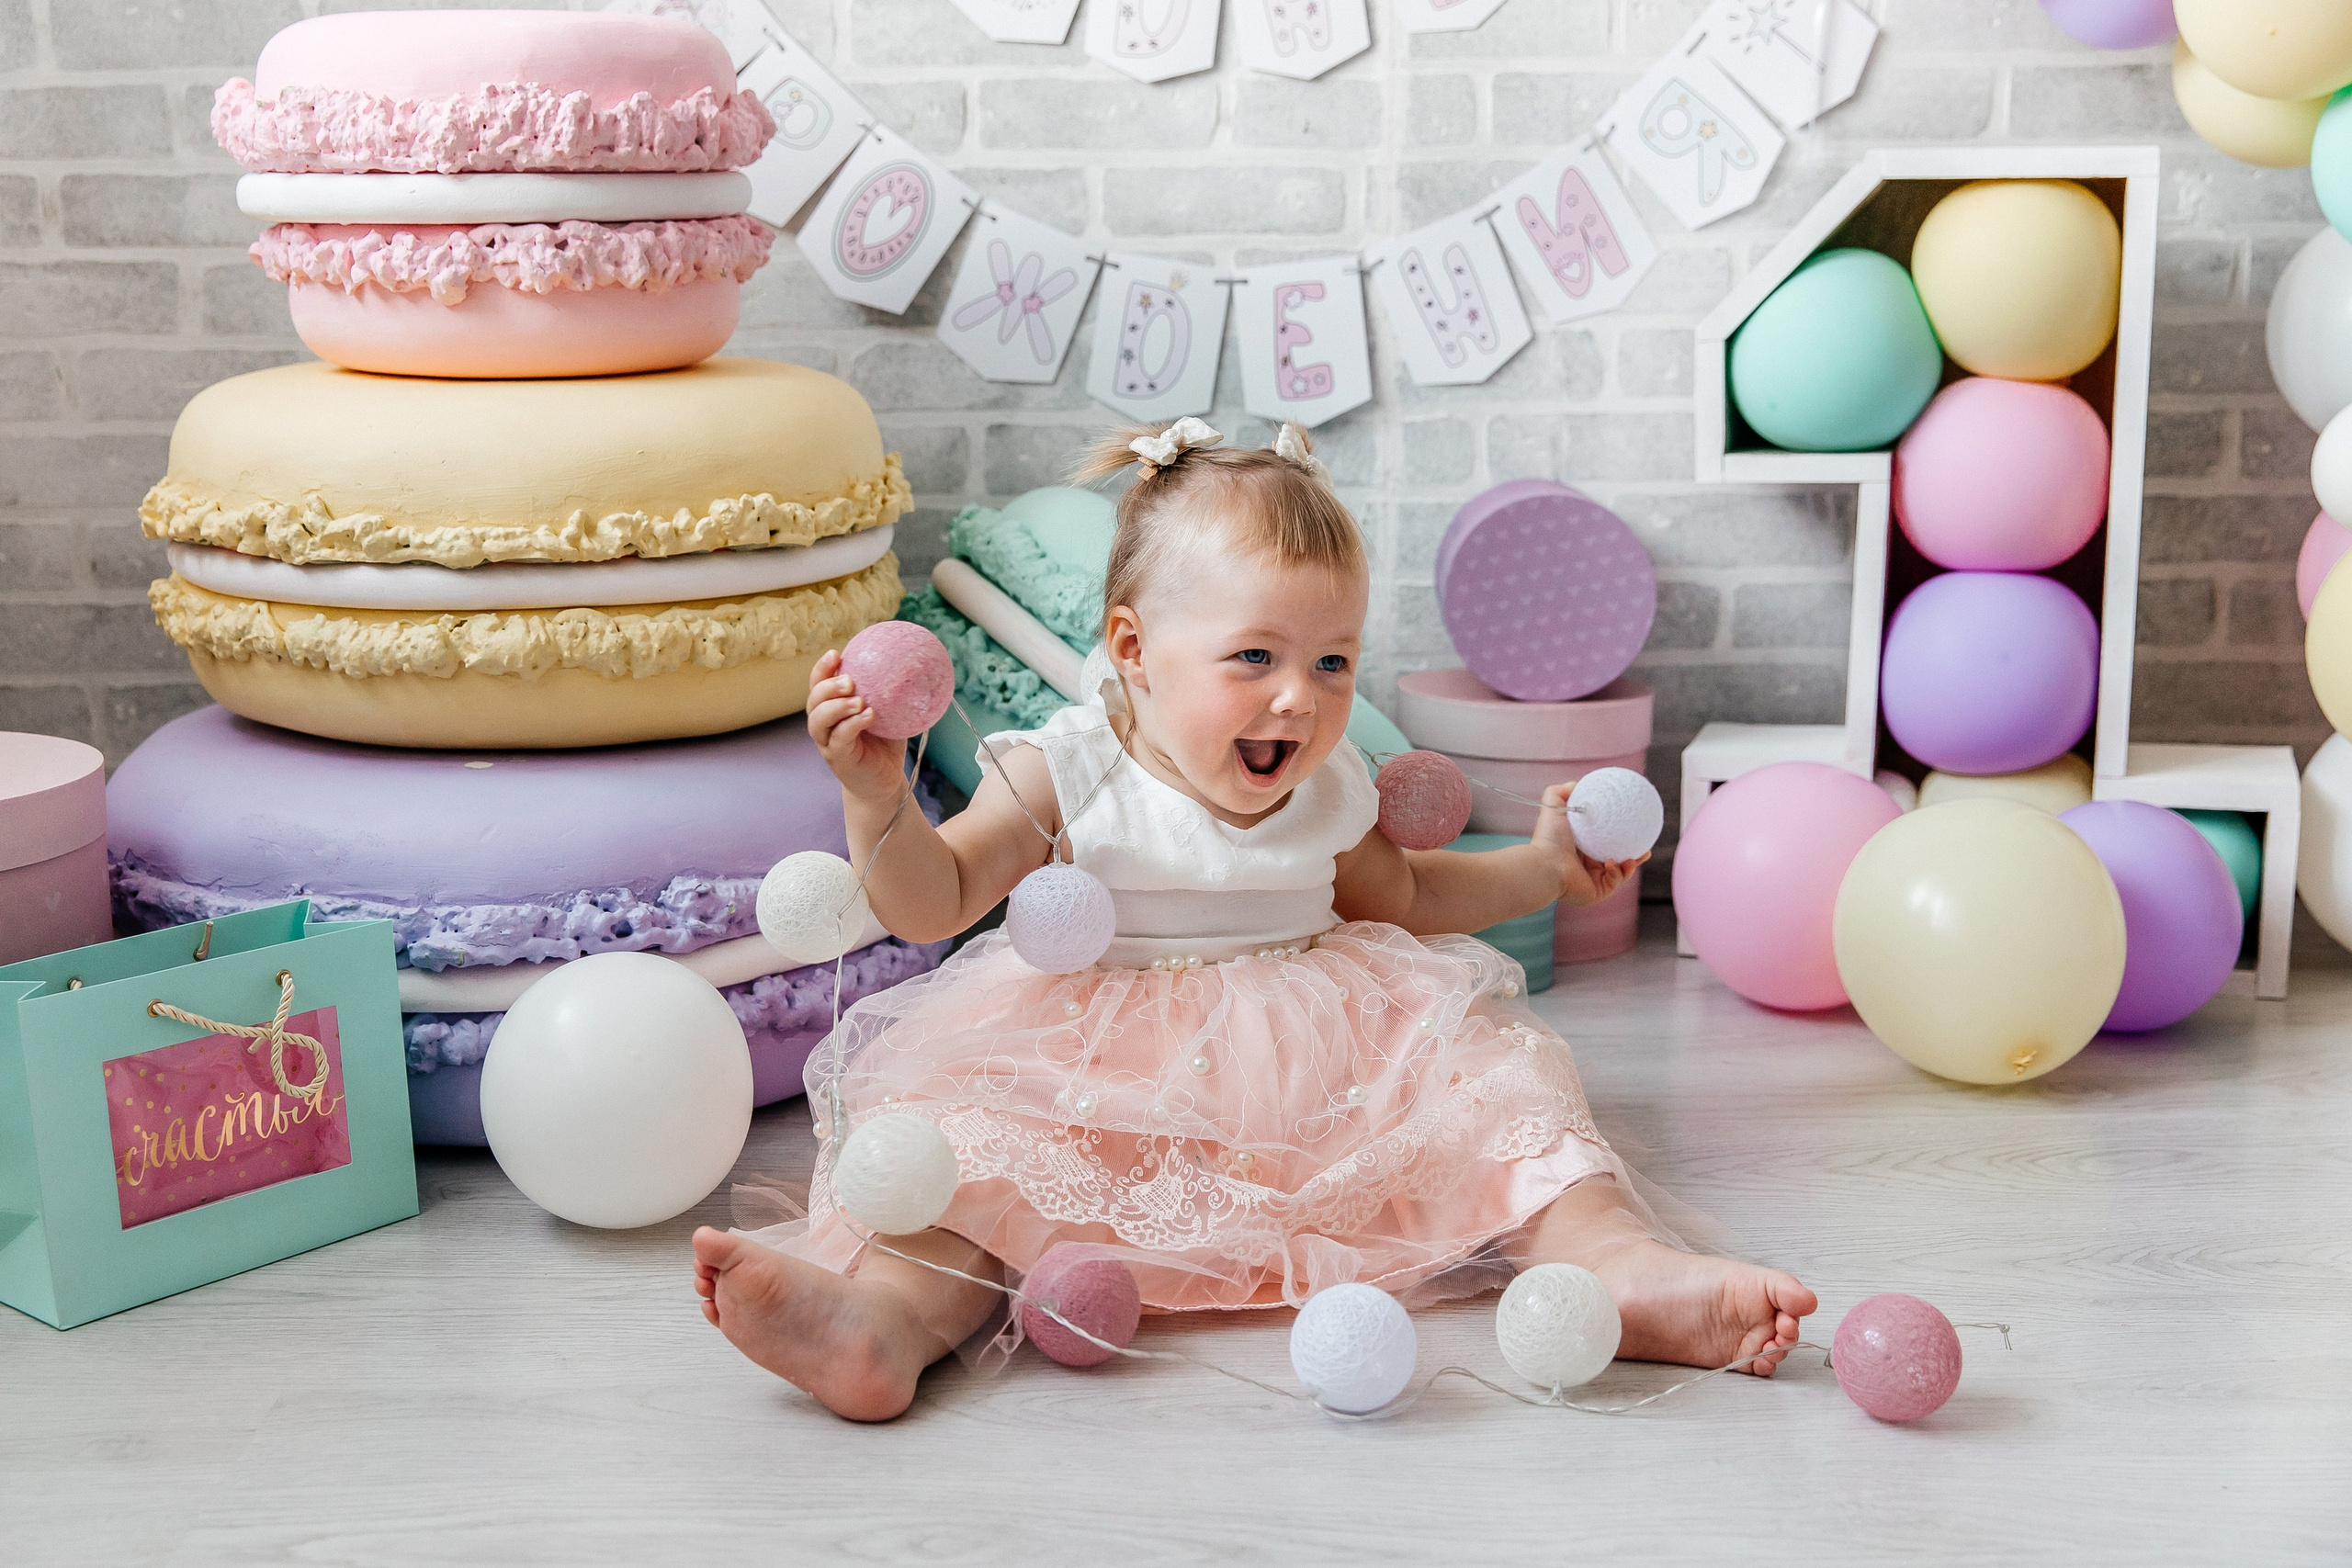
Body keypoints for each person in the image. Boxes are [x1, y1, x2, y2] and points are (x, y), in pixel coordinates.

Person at [693, 417, 1815, 1421]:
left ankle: (1613, 1263)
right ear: (1133, 651)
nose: (1301, 697)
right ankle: (884, 1321)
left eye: (1333, 661)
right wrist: (875, 799)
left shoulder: (1327, 784)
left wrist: (1544, 869)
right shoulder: (1064, 768)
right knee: (977, 1169)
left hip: (1326, 1056)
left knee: (1504, 1099)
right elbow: (930, 897)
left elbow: (1412, 901)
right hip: (1096, 1061)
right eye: (1255, 659)